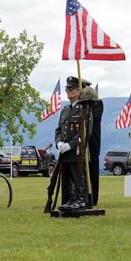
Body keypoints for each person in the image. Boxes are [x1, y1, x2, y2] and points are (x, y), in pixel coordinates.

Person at [55, 76, 93, 211]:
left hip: (77, 151)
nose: (68, 91)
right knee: (68, 178)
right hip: (64, 151)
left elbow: (85, 132)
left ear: (78, 91)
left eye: (71, 89)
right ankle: (71, 200)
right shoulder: (65, 110)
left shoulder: (84, 109)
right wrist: (59, 143)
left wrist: (70, 145)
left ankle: (80, 200)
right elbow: (59, 130)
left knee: (78, 176)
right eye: (67, 89)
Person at [81, 80, 103, 206]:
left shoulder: (97, 104)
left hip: (92, 144)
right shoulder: (82, 103)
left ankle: (93, 197)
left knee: (93, 172)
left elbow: (93, 119)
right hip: (82, 144)